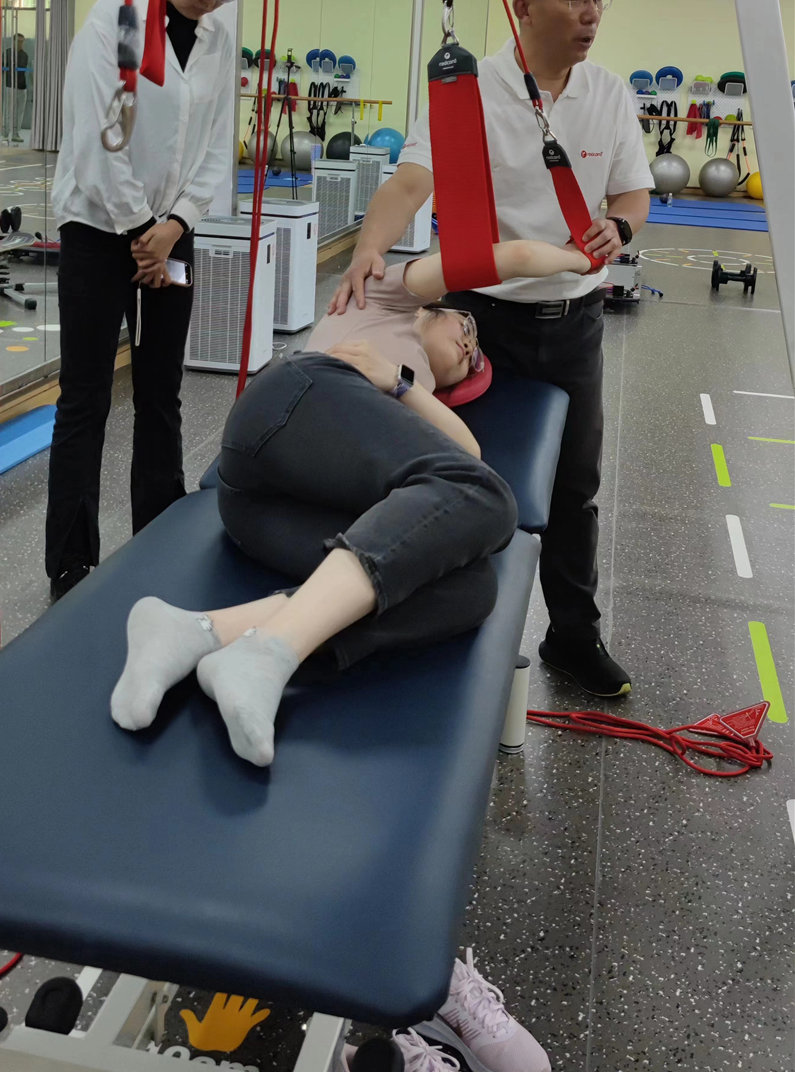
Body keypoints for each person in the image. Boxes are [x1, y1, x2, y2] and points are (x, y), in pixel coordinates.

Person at [110, 232, 592, 766]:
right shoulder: (384, 297)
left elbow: (469, 456)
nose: (469, 348)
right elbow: (511, 256)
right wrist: (583, 258)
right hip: (291, 400)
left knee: (471, 589)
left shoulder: (409, 394)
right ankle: (270, 653)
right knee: (491, 499)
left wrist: (401, 383)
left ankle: (200, 634)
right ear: (437, 308)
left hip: (263, 512)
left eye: (471, 361)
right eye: (467, 329)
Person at [329, 0, 654, 699]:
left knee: (574, 485)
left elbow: (633, 193)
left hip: (574, 320)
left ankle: (572, 635)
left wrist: (621, 226)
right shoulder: (468, 92)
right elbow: (411, 181)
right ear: (524, 6)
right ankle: (449, 623)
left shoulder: (609, 93)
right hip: (479, 322)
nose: (591, 11)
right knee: (462, 473)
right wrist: (368, 247)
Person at [46, 0, 248, 601]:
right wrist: (143, 230)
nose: (211, 0)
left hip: (171, 231)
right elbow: (98, 139)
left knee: (161, 390)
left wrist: (175, 225)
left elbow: (216, 145)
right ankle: (71, 562)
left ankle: (159, 538)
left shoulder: (218, 40)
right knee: (86, 396)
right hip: (99, 229)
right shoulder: (119, 21)